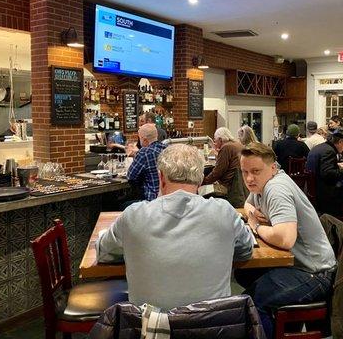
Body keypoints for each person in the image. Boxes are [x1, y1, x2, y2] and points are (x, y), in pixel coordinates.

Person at [97, 144, 253, 308]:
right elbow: (246, 249)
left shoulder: (133, 216)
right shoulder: (225, 213)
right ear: (200, 179)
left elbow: (104, 253)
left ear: (161, 178)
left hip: (151, 329)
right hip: (214, 327)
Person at [236, 142, 336, 339]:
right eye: (244, 171)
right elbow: (247, 204)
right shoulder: (263, 183)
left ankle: (272, 324)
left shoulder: (276, 188)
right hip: (297, 265)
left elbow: (285, 238)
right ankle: (282, 326)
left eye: (255, 171)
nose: (249, 178)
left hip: (314, 272)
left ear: (273, 168)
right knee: (243, 273)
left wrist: (256, 226)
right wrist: (255, 212)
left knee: (249, 305)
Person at [202, 127, 246, 206]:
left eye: (215, 140)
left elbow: (218, 171)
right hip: (241, 186)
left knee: (203, 193)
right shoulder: (238, 145)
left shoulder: (226, 148)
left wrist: (204, 182)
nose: (215, 143)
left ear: (220, 139)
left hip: (230, 187)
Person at [126, 124, 167, 201]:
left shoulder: (144, 152)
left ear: (144, 140)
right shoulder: (166, 148)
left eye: (139, 138)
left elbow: (130, 176)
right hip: (165, 198)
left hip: (151, 200)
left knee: (120, 204)